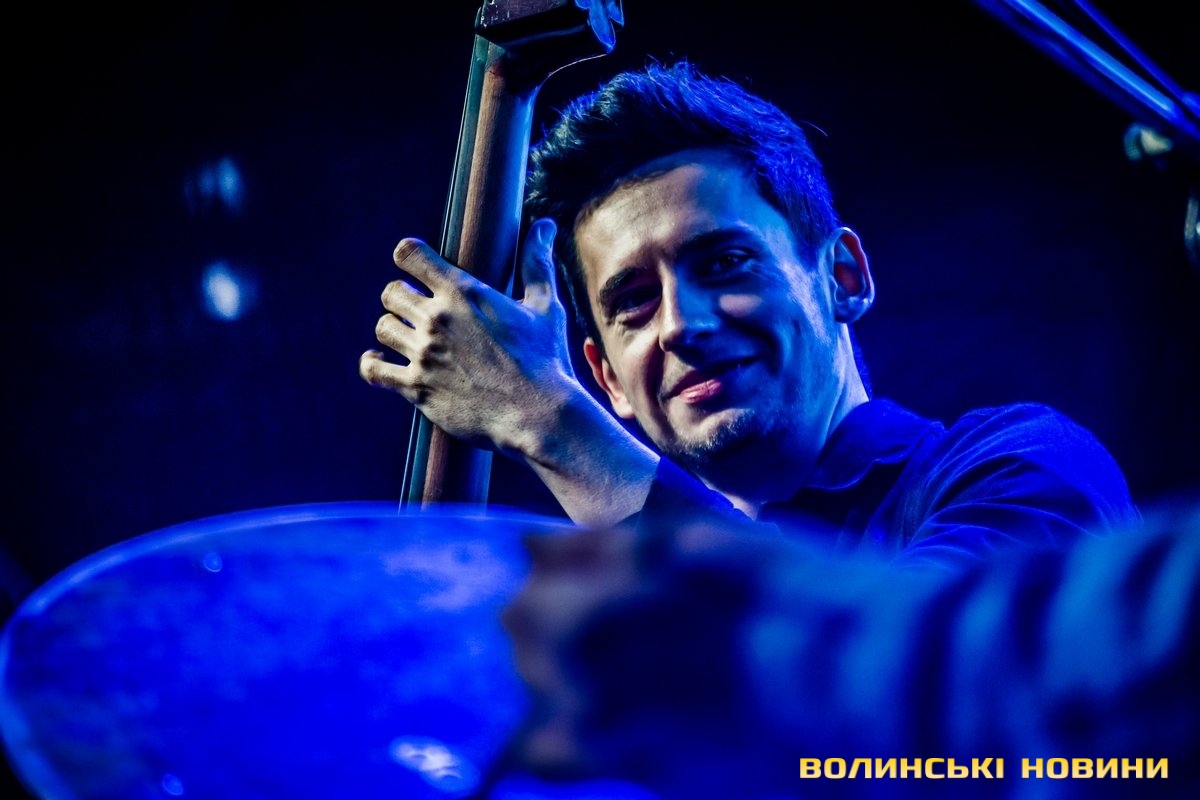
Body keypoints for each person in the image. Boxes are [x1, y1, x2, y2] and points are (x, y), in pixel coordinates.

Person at [359, 61, 1158, 795]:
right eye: (633, 300)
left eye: (723, 263)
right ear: (608, 379)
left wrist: (550, 421)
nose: (681, 324)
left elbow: (906, 717)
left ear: (842, 276)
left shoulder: (1019, 464)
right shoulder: (598, 642)